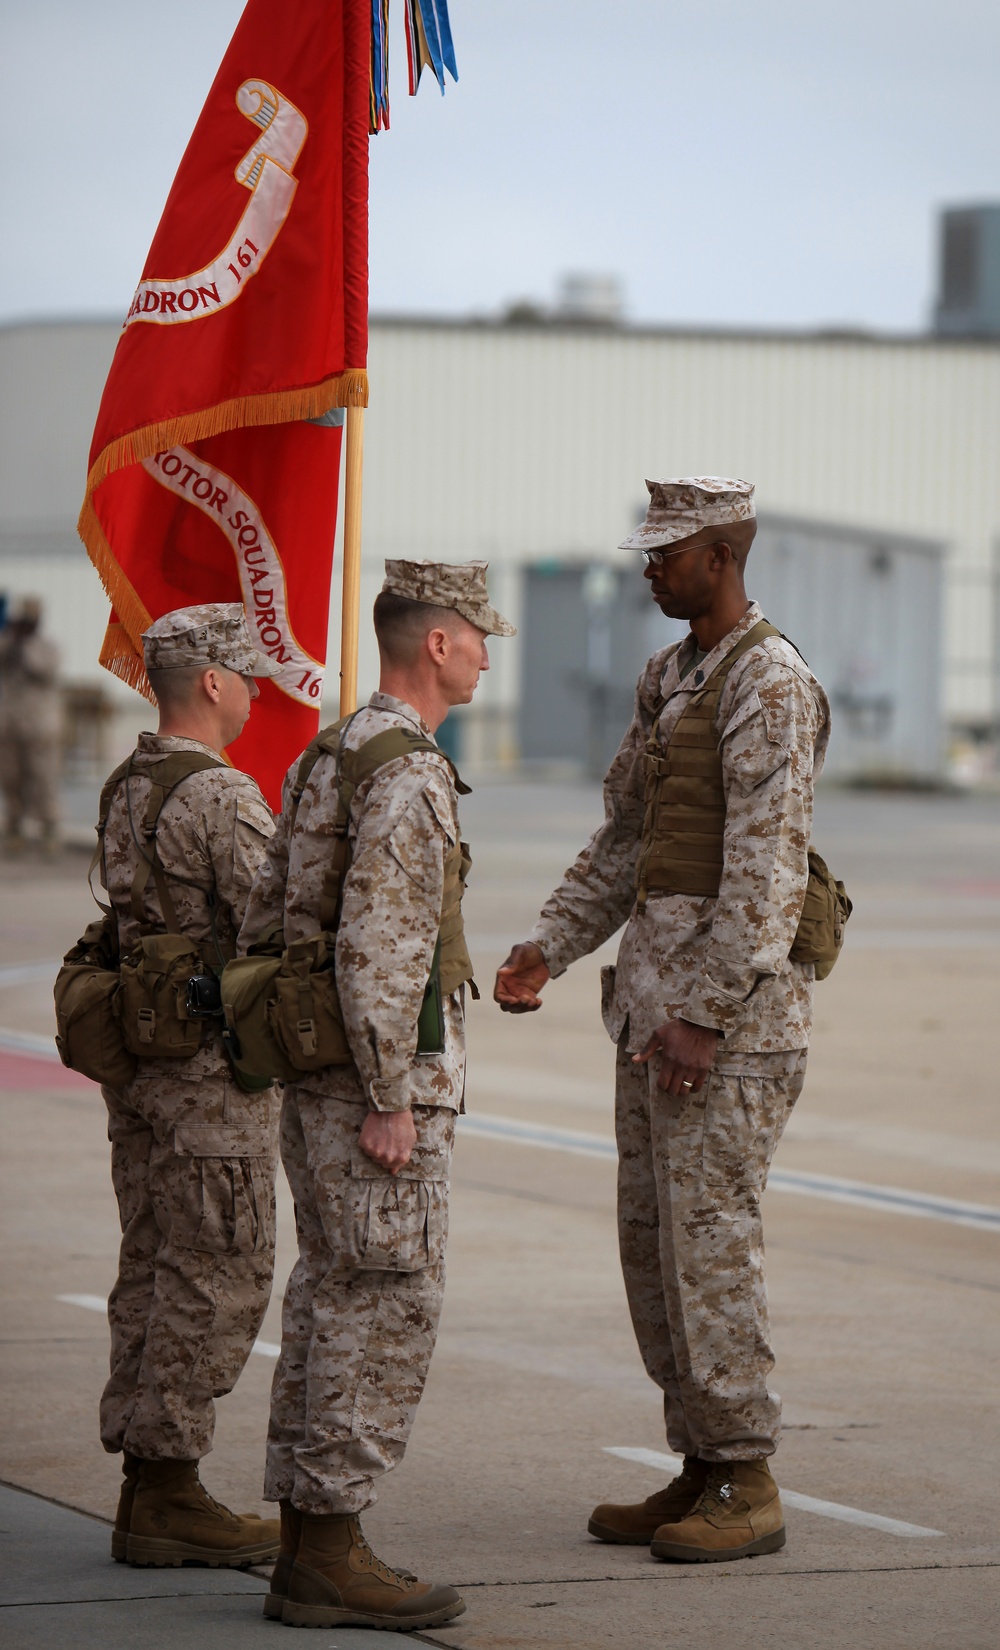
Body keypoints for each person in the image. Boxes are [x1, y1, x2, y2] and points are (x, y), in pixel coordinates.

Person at [495, 478, 831, 1564]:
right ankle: (698, 1461)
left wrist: (703, 1014)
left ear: (723, 554)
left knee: (709, 1245)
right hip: (650, 1010)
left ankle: (747, 1475)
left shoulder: (769, 683)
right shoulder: (668, 675)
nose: (647, 566)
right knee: (653, 1248)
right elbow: (628, 839)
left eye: (667, 551)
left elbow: (767, 874)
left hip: (722, 1029)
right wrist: (551, 940)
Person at [238, 560, 514, 1631]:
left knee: (327, 1295)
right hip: (371, 1093)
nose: (489, 652)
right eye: (479, 634)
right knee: (381, 1304)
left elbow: (271, 912)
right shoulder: (406, 772)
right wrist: (389, 1094)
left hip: (317, 1079)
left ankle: (309, 1540)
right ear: (436, 643)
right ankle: (334, 1545)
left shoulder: (332, 750)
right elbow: (383, 949)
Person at [98, 604, 282, 1568]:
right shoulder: (221, 797)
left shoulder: (129, 781)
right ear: (212, 682)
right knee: (218, 1269)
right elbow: (277, 920)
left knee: (153, 1260)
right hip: (211, 1077)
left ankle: (144, 1484)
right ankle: (168, 1485)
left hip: (143, 1071)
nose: (256, 695)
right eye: (247, 677)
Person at [0, 595, 62, 852]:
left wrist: (24, 645)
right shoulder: (6, 644)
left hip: (39, 727)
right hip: (9, 726)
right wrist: (11, 640)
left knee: (43, 777)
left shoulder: (47, 647)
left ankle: (49, 828)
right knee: (10, 778)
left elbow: (42, 670)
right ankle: (15, 829)